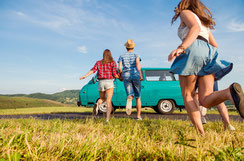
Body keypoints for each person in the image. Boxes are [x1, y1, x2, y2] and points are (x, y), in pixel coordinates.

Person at [168, 0, 244, 135]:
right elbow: (214, 44)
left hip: (193, 49)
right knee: (205, 99)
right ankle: (228, 92)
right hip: (208, 52)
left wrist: (182, 47)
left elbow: (195, 28)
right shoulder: (204, 22)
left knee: (188, 95)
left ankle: (201, 134)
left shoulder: (185, 13)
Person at [80, 49, 119, 122]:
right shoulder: (113, 63)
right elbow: (114, 74)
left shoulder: (99, 62)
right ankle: (107, 119)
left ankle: (97, 103)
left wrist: (85, 76)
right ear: (110, 55)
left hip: (100, 82)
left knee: (102, 98)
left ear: (103, 55)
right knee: (108, 100)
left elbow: (93, 70)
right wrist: (120, 77)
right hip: (109, 82)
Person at [118, 39, 143, 120]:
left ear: (126, 47)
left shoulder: (122, 56)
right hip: (135, 74)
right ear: (133, 47)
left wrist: (121, 75)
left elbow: (119, 68)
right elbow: (137, 64)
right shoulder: (136, 55)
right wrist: (140, 74)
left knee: (130, 94)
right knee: (138, 97)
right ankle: (138, 116)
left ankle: (129, 97)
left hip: (126, 75)